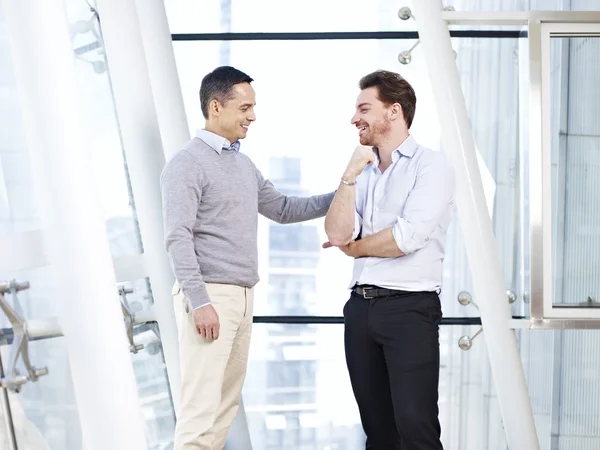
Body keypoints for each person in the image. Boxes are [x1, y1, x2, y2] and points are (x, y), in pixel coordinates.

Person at [161, 66, 335, 450]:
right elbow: (177, 236)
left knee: (224, 407)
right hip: (210, 296)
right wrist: (199, 301)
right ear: (216, 106)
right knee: (199, 407)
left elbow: (285, 209)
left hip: (242, 296)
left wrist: (344, 194)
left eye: (253, 107)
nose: (252, 116)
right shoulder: (187, 163)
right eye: (245, 107)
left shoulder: (242, 164)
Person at [323, 70, 455, 450]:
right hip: (360, 310)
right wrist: (348, 176)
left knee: (416, 429)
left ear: (393, 111)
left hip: (409, 309)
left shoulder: (431, 166)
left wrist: (357, 248)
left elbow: (407, 236)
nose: (354, 119)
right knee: (378, 431)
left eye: (364, 108)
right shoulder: (362, 173)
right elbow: (337, 234)